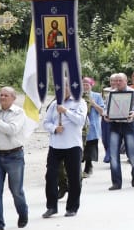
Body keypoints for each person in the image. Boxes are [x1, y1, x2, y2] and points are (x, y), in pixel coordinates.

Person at [0, 87, 29, 230]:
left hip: (14, 155)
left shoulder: (19, 113)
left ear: (13, 98)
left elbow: (12, 130)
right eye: (1, 95)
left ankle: (23, 212)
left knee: (16, 190)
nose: (2, 98)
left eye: (6, 95)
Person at [42, 80, 87, 218]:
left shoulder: (79, 102)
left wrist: (65, 111)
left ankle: (72, 207)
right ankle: (51, 206)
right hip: (56, 145)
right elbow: (45, 123)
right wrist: (54, 128)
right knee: (51, 176)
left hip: (72, 145)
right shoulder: (54, 104)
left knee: (74, 177)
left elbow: (80, 121)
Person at [105, 73, 134, 190]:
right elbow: (106, 109)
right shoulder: (110, 94)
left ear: (126, 81)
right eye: (115, 81)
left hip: (128, 125)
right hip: (114, 125)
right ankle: (116, 182)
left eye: (120, 80)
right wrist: (105, 115)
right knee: (113, 154)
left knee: (132, 153)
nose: (117, 83)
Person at [81, 77, 104, 178]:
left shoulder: (97, 96)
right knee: (82, 146)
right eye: (83, 84)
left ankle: (88, 166)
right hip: (81, 125)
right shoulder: (78, 96)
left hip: (93, 125)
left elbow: (102, 111)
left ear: (91, 85)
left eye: (87, 84)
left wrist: (93, 103)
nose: (85, 86)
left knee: (91, 147)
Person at [101, 73, 118, 163]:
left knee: (111, 137)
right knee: (104, 138)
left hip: (114, 118)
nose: (113, 82)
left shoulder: (119, 91)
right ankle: (109, 153)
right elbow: (102, 103)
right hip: (104, 116)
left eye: (115, 80)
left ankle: (110, 155)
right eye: (111, 80)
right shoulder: (105, 90)